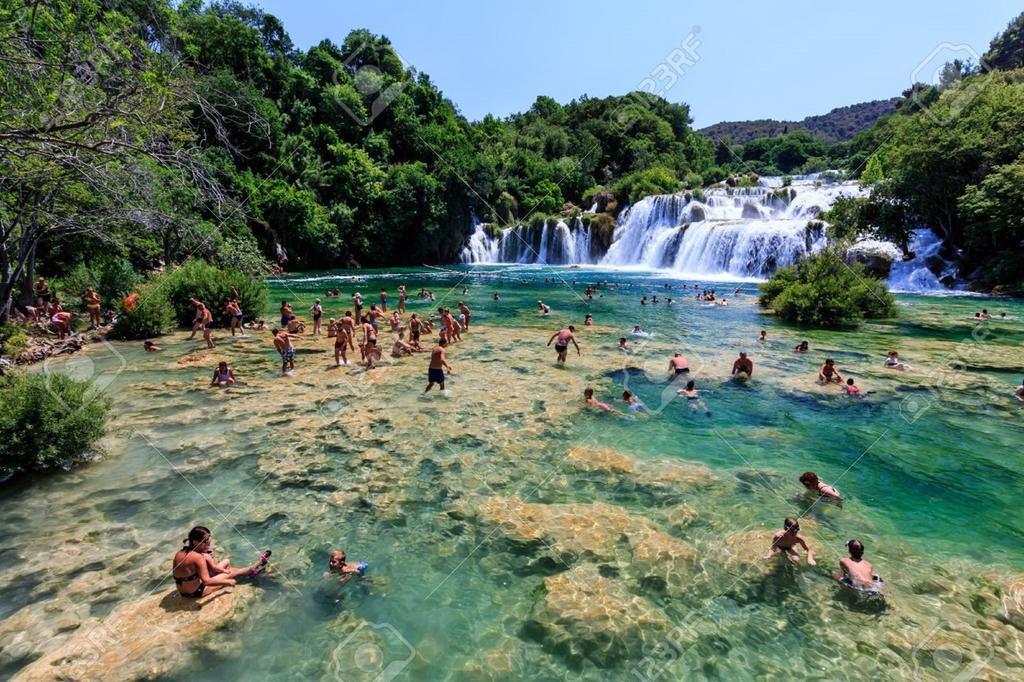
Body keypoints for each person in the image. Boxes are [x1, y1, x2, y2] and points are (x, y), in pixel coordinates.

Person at [172, 526, 262, 598]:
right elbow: (207, 581)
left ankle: (248, 571)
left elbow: (191, 570)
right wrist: (228, 582)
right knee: (229, 572)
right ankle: (250, 570)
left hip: (183, 592)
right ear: (195, 542)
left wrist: (208, 558)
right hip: (197, 592)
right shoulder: (197, 557)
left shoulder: (179, 553)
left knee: (226, 567)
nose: (208, 544)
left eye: (209, 541)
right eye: (206, 542)